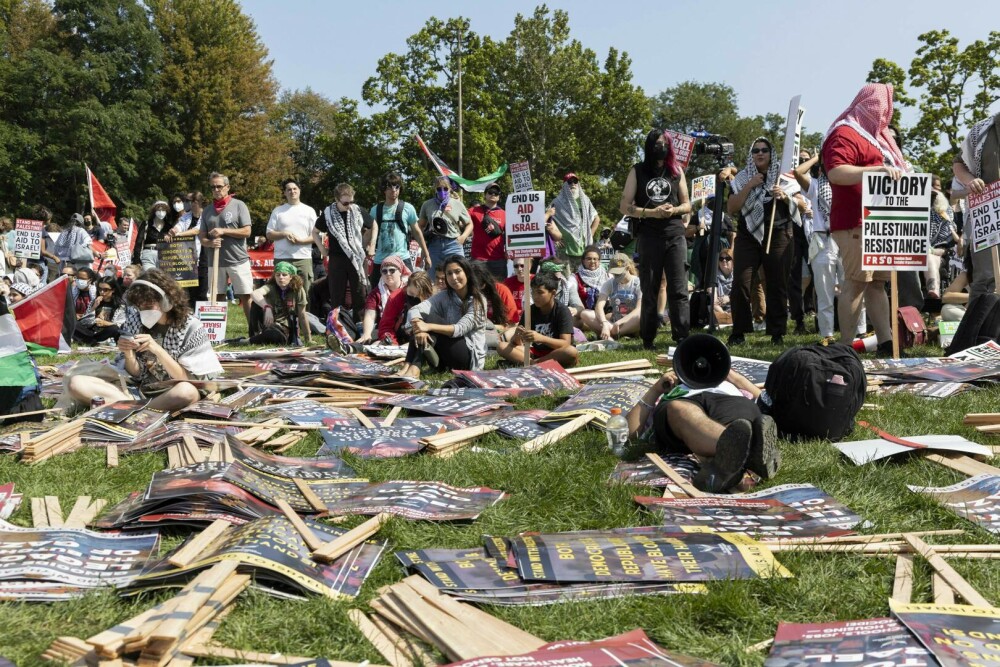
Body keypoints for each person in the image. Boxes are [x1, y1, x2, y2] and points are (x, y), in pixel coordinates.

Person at [822, 83, 907, 354]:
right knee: (857, 281)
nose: (883, 113)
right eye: (879, 106)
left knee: (877, 283)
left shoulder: (874, 138)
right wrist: (877, 170)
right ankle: (844, 347)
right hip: (853, 222)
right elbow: (836, 172)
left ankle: (886, 341)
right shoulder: (844, 133)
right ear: (866, 105)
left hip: (877, 222)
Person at [66, 269, 222, 412]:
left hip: (173, 389)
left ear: (166, 302)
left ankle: (130, 407)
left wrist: (157, 349)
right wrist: (128, 354)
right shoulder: (135, 320)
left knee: (186, 392)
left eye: (148, 306)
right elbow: (136, 373)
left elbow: (186, 378)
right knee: (76, 383)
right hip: (141, 390)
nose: (143, 311)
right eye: (140, 307)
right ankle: (137, 407)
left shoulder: (189, 326)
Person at [626, 368, 779, 493]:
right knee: (679, 410)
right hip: (682, 400)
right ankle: (747, 454)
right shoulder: (670, 389)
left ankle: (725, 465)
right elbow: (629, 433)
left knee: (741, 425)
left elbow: (764, 401)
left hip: (731, 400)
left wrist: (732, 375)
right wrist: (656, 389)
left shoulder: (731, 385)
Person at [619, 129, 692, 348]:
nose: (661, 147)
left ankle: (682, 336)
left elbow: (688, 204)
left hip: (674, 234)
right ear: (649, 146)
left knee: (678, 289)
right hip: (649, 235)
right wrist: (653, 212)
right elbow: (624, 206)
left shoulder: (676, 170)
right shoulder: (638, 170)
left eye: (664, 144)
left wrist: (675, 210)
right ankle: (648, 338)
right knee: (649, 288)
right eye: (657, 144)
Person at [727, 137, 799, 346]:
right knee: (741, 282)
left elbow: (802, 204)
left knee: (777, 284)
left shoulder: (783, 176)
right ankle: (738, 331)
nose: (760, 153)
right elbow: (732, 208)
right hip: (748, 236)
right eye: (755, 150)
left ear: (771, 154)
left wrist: (785, 196)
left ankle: (777, 332)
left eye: (764, 150)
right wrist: (750, 185)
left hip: (778, 235)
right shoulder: (741, 178)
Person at [398, 256, 502, 377]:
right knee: (420, 318)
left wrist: (427, 326)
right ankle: (409, 365)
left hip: (468, 359)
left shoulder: (478, 301)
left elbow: (459, 329)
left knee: (429, 319)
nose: (453, 277)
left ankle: (414, 367)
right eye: (449, 273)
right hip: (445, 357)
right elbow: (416, 309)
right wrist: (419, 326)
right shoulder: (444, 296)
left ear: (467, 273)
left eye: (457, 272)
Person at [953, 111, 1000, 298]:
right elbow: (958, 163)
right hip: (988, 210)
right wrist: (970, 180)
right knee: (986, 280)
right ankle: (984, 327)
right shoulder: (982, 130)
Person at [199, 172, 254, 324]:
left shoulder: (239, 205)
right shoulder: (207, 211)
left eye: (219, 186)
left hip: (237, 259)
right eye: (213, 187)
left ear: (227, 187)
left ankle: (253, 330)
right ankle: (218, 333)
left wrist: (224, 231)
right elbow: (202, 236)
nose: (216, 189)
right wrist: (209, 243)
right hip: (215, 262)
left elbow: (247, 231)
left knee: (245, 295)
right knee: (217, 296)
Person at [499, 271, 579, 367]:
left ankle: (532, 363)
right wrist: (517, 335)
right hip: (536, 352)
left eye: (540, 292)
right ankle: (535, 364)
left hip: (556, 352)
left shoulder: (562, 311)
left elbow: (565, 343)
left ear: (553, 293)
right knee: (501, 346)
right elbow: (517, 344)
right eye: (533, 292)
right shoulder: (530, 311)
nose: (535, 296)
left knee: (570, 351)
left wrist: (541, 338)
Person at [319, 183, 372, 323]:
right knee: (337, 295)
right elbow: (314, 232)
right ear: (337, 200)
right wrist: (322, 249)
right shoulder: (328, 213)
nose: (349, 205)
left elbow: (374, 225)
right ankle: (338, 326)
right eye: (345, 203)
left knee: (359, 293)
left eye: (352, 201)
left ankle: (359, 326)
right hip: (337, 258)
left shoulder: (357, 210)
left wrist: (368, 244)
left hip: (356, 257)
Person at [370, 171, 429, 278]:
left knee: (407, 292)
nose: (393, 190)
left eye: (396, 186)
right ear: (384, 189)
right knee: (377, 293)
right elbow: (369, 234)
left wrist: (426, 254)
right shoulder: (375, 210)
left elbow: (417, 232)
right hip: (380, 260)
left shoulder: (408, 208)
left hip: (402, 259)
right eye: (389, 187)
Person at [267, 178, 321, 294]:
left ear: (299, 190)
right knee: (281, 293)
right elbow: (269, 234)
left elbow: (316, 236)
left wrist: (300, 241)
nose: (292, 191)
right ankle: (283, 313)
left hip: (303, 258)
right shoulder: (278, 211)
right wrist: (284, 233)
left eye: (295, 188)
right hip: (282, 257)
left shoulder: (309, 210)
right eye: (289, 189)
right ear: (285, 193)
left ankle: (304, 313)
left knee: (306, 293)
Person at [249, 261, 311, 346]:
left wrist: (308, 338)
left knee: (275, 335)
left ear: (291, 277)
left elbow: (302, 315)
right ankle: (255, 335)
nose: (281, 278)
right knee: (256, 304)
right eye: (278, 275)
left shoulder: (298, 290)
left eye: (284, 275)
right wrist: (267, 307)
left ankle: (248, 341)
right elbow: (255, 293)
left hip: (283, 328)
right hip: (268, 323)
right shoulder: (271, 287)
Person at [581, 253, 641, 341]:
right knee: (585, 313)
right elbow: (599, 306)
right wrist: (604, 323)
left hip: (631, 322)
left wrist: (619, 323)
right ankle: (615, 333)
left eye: (619, 273)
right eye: (614, 273)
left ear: (628, 268)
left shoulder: (638, 283)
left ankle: (612, 334)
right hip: (614, 321)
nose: (616, 276)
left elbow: (639, 309)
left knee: (642, 315)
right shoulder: (610, 283)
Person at [548, 173, 600, 270]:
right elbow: (548, 219)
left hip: (584, 251)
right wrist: (555, 237)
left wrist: (590, 234)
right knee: (566, 280)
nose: (573, 184)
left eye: (575, 181)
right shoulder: (557, 202)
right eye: (569, 182)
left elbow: (596, 218)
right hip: (564, 251)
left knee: (582, 280)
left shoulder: (585, 200)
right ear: (564, 185)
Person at [419, 175, 472, 269]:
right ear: (435, 189)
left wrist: (463, 237)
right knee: (434, 279)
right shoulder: (427, 205)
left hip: (453, 244)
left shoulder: (457, 204)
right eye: (439, 189)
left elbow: (469, 224)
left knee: (458, 274)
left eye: (445, 188)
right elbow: (420, 226)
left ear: (450, 189)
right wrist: (424, 244)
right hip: (434, 245)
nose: (442, 191)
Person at [356, 255, 409, 344]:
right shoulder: (376, 293)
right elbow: (370, 315)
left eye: (392, 270)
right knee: (372, 343)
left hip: (405, 329)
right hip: (383, 330)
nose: (388, 274)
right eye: (384, 271)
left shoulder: (408, 290)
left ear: (400, 271)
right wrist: (367, 334)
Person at [377, 270, 435, 345]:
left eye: (417, 297)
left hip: (422, 341)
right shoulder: (396, 298)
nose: (413, 299)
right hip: (398, 341)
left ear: (427, 295)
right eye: (411, 294)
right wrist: (393, 344)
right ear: (406, 287)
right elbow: (385, 327)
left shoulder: (434, 302)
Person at [169, 192, 205, 304]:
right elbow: (179, 226)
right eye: (187, 201)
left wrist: (179, 234)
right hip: (188, 258)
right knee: (191, 292)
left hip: (204, 257)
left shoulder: (206, 216)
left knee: (202, 292)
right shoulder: (186, 216)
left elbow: (197, 230)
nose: (187, 204)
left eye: (190, 201)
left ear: (197, 202)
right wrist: (174, 231)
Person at [469, 182, 508, 279]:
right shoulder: (473, 211)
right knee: (477, 291)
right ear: (485, 195)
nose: (493, 194)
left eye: (496, 193)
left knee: (499, 291)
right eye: (490, 192)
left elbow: (510, 235)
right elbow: (461, 217)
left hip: (498, 260)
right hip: (478, 259)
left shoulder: (505, 214)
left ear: (499, 197)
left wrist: (509, 250)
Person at [74, 276, 127, 344]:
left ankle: (89, 340)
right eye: (100, 289)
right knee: (74, 324)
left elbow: (121, 324)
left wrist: (105, 323)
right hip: (92, 331)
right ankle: (92, 341)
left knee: (114, 329)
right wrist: (94, 307)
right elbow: (85, 322)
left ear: (113, 290)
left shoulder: (120, 305)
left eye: (106, 290)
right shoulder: (94, 301)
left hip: (106, 332)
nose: (102, 292)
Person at [573, 245, 609, 317]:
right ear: (583, 260)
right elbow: (572, 296)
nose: (592, 261)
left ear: (599, 261)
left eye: (595, 259)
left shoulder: (608, 276)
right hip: (584, 314)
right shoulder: (574, 278)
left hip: (606, 313)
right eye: (589, 259)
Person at [136, 201, 172, 271]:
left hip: (164, 256)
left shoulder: (169, 227)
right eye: (159, 210)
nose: (161, 212)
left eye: (163, 210)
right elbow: (139, 242)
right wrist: (137, 260)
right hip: (148, 254)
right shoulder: (146, 224)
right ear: (154, 211)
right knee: (149, 277)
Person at [503, 258, 532, 324]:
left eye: (522, 265)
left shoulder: (535, 280)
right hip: (512, 318)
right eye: (516, 266)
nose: (519, 269)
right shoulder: (507, 282)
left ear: (529, 266)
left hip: (531, 317)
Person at [714, 252, 734, 326]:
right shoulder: (714, 277)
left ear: (733, 261)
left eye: (728, 259)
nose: (724, 261)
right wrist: (724, 315)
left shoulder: (738, 276)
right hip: (718, 308)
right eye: (721, 259)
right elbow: (714, 302)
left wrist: (729, 298)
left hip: (734, 307)